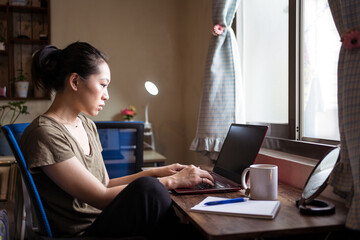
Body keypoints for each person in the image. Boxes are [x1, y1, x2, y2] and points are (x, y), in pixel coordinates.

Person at [20, 41, 214, 239]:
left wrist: (157, 172)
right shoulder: (45, 133)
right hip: (84, 233)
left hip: (106, 220)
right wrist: (171, 181)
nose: (107, 95)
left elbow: (106, 184)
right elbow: (101, 197)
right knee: (151, 191)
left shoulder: (86, 125)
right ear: (75, 82)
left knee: (162, 200)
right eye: (103, 85)